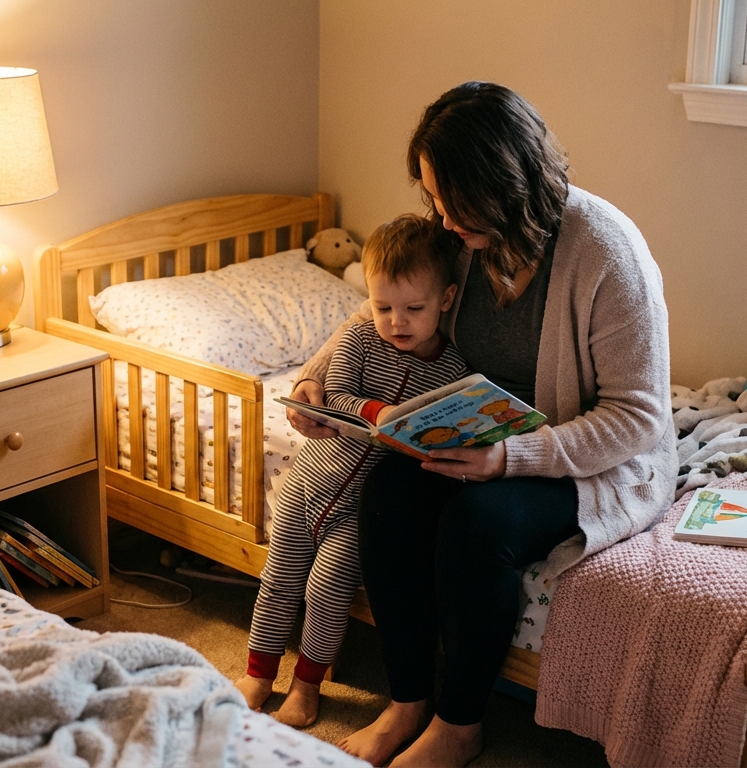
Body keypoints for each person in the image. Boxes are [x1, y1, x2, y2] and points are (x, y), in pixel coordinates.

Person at [287, 82, 674, 766]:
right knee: (390, 496)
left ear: (504, 186)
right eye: (433, 197)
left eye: (453, 202)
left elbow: (638, 415)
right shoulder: (457, 238)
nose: (439, 216)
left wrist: (511, 460)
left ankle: (460, 725)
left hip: (580, 450)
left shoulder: (607, 252)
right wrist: (315, 377)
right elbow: (381, 305)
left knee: (479, 524)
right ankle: (408, 699)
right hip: (474, 430)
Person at [235, 214, 471, 728]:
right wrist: (377, 414)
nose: (396, 321)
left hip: (356, 511)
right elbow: (335, 396)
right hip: (306, 488)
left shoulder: (453, 370)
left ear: (446, 300)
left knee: (326, 592)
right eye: (383, 306)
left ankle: (307, 684)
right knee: (279, 580)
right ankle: (258, 672)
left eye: (414, 309)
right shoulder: (360, 338)